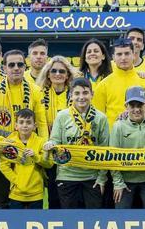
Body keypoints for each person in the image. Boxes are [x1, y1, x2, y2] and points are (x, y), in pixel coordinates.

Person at [0, 50, 47, 207]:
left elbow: (42, 124)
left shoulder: (36, 91)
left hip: (27, 154)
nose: (16, 68)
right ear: (4, 68)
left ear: (25, 67)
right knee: (1, 201)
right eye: (11, 64)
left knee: (32, 200)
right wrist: (4, 143)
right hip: (1, 154)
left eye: (20, 64)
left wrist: (43, 148)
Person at [44, 77, 110, 209]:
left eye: (85, 93)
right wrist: (50, 144)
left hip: (92, 177)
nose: (81, 97)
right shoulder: (62, 116)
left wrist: (102, 179)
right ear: (71, 95)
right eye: (77, 93)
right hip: (67, 176)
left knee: (93, 219)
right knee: (70, 218)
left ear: (92, 94)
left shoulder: (101, 118)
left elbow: (105, 150)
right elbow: (55, 140)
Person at [38, 57, 74, 207]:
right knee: (52, 195)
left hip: (70, 151)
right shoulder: (38, 94)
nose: (57, 74)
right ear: (47, 74)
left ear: (67, 75)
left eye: (62, 71)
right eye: (54, 71)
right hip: (48, 150)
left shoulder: (75, 94)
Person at [1, 110, 52, 209]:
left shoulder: (41, 142)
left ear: (35, 126)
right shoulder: (10, 143)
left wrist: (36, 157)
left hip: (36, 193)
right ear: (16, 126)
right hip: (16, 193)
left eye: (28, 122)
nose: (25, 125)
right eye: (21, 122)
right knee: (17, 223)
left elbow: (49, 164)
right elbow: (3, 165)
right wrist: (17, 180)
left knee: (36, 221)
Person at [93, 37, 145, 122]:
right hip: (112, 134)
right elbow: (97, 117)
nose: (123, 58)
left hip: (140, 134)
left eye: (127, 53)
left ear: (133, 54)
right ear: (113, 57)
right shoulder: (103, 85)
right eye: (119, 54)